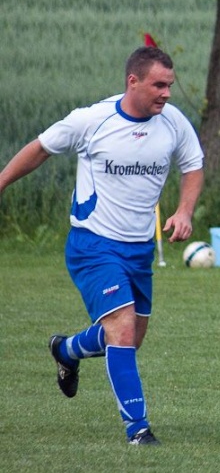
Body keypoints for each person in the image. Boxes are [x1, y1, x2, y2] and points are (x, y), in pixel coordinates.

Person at [0, 46, 204, 446]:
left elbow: (192, 164)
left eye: (170, 85)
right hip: (94, 245)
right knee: (123, 332)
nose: (167, 93)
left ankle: (67, 349)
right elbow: (40, 148)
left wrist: (184, 211)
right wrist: (2, 181)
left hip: (139, 249)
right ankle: (138, 429)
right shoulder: (92, 120)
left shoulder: (174, 123)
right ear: (133, 81)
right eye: (159, 85)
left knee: (128, 339)